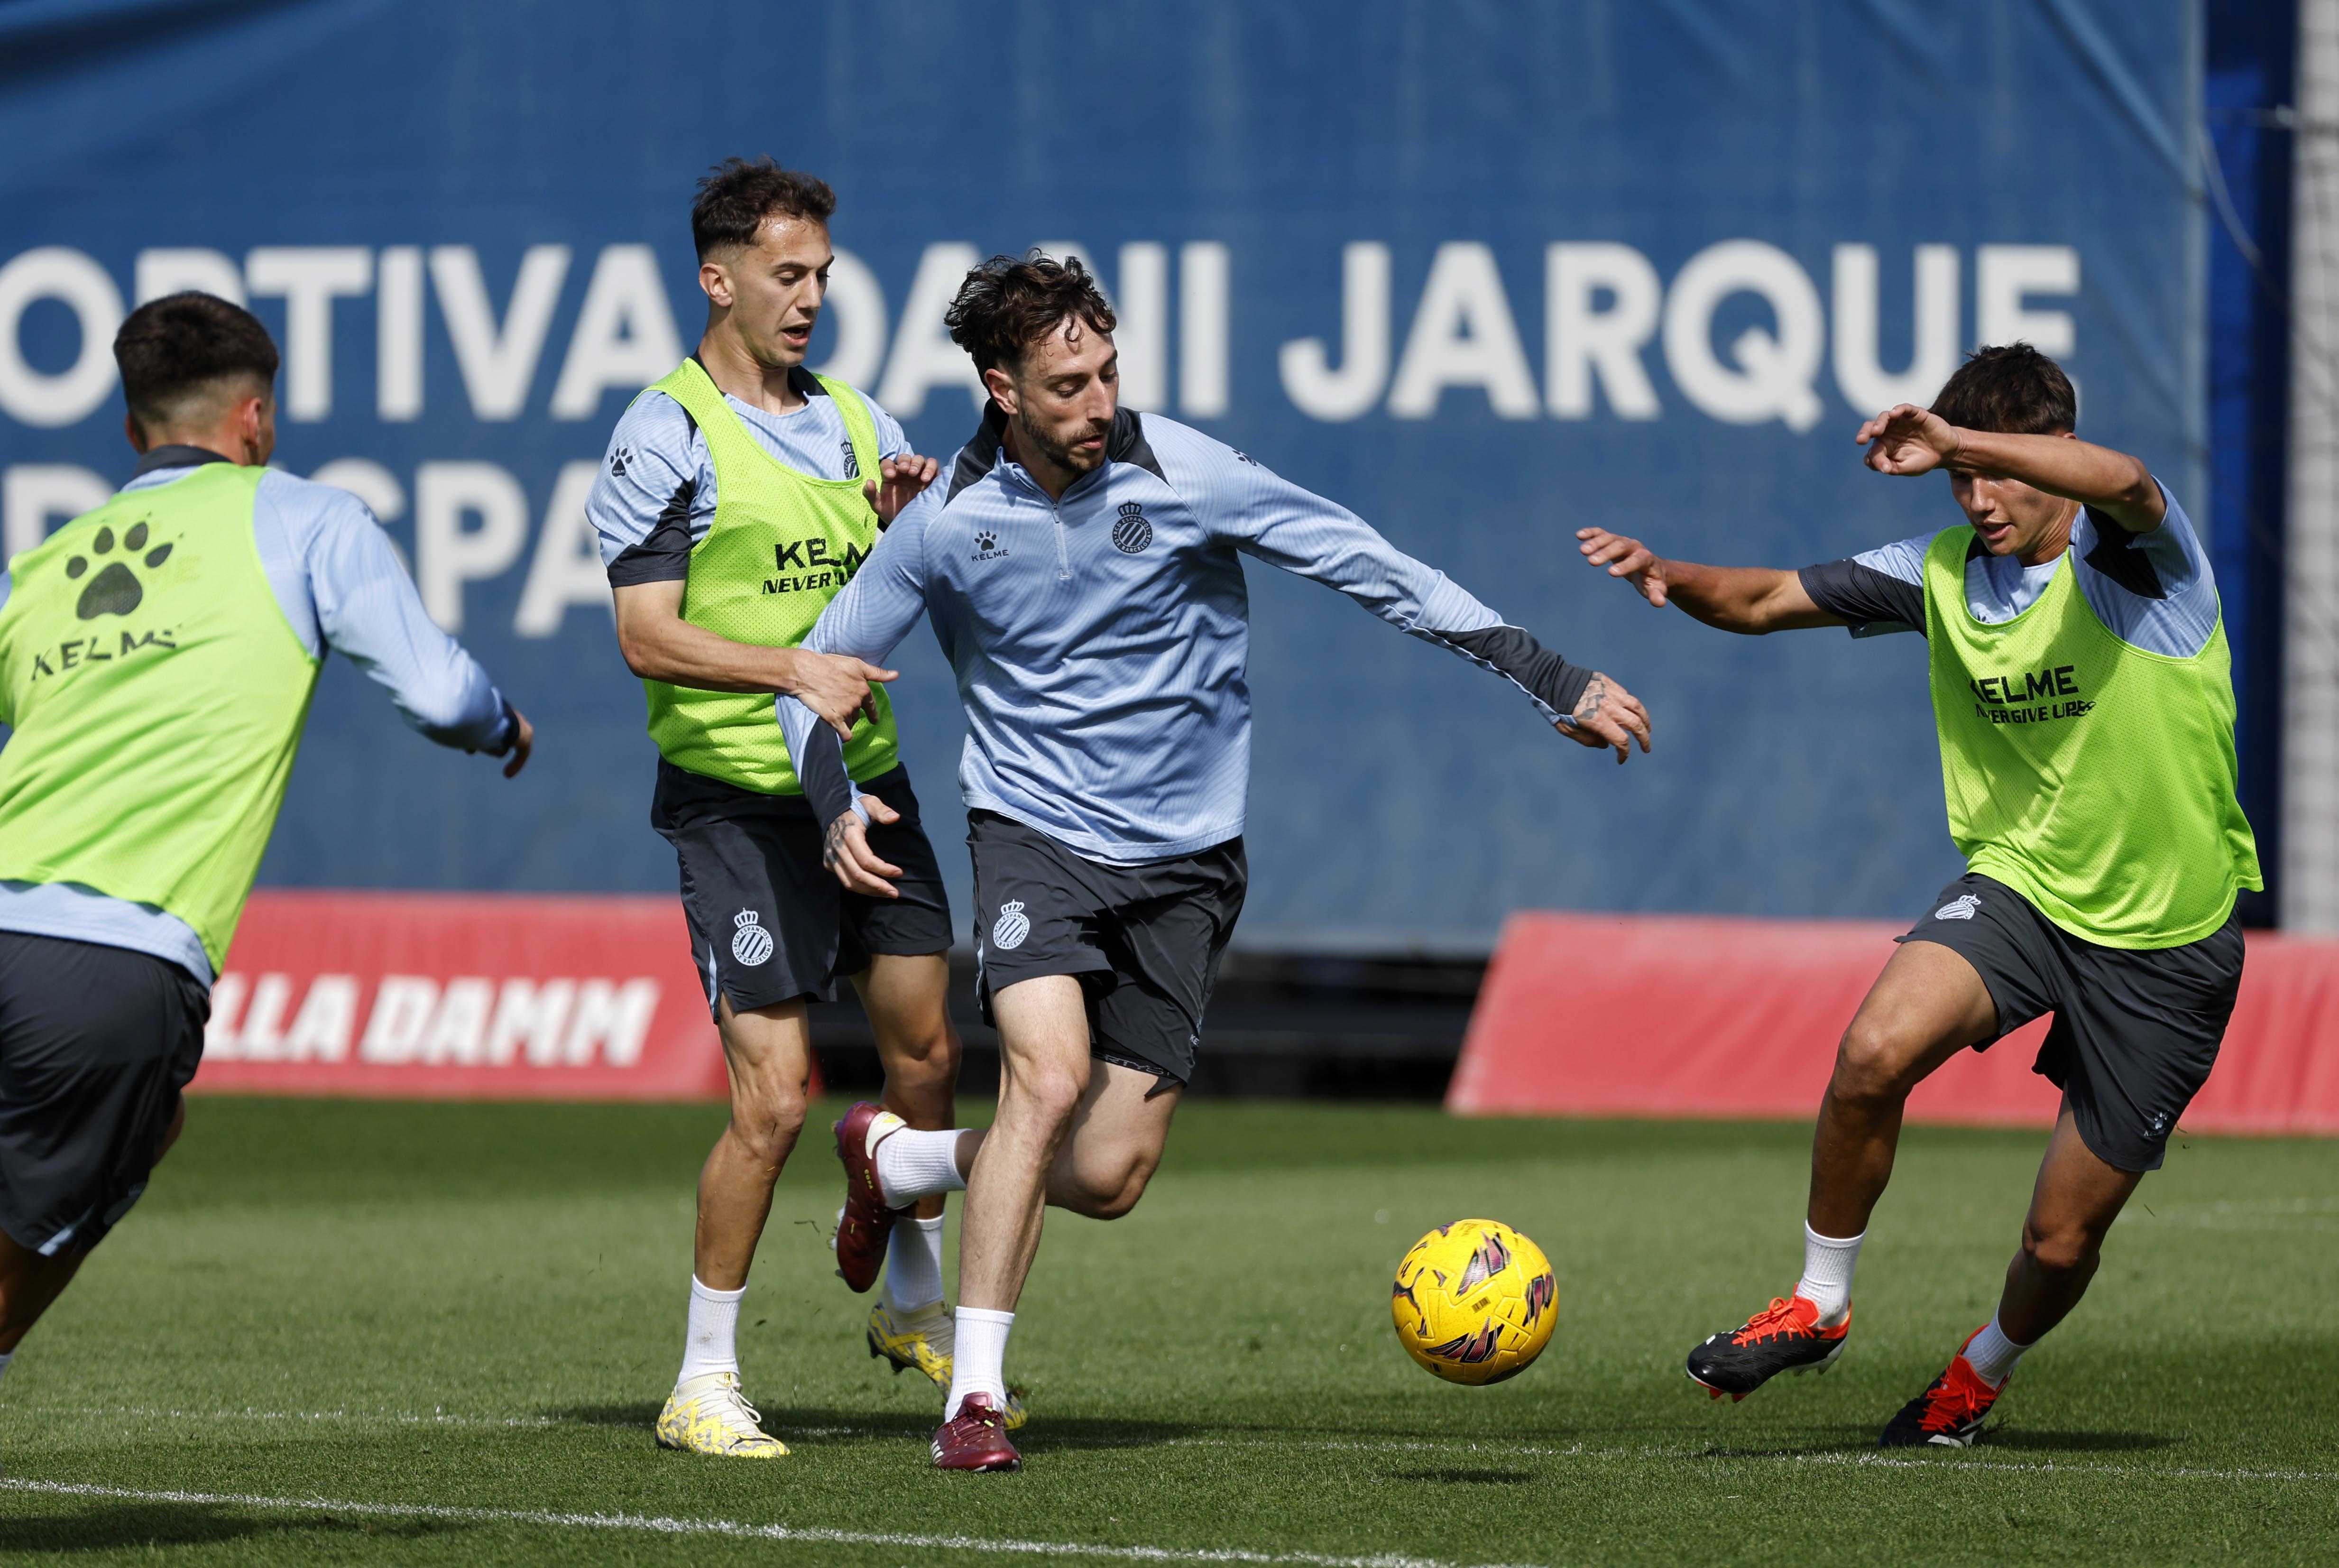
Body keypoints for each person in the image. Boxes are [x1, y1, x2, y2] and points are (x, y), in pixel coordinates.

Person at [778, 252, 1654, 1471]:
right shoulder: (941, 521)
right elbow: (811, 679)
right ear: (1001, 389)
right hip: (1032, 838)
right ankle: (972, 1399)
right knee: (1045, 1078)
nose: (1099, 402)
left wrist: (1550, 676)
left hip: (1187, 864)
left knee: (1107, 1173)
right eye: (1068, 385)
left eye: (1108, 373)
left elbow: (1375, 568)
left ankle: (898, 1158)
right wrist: (832, 803)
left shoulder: (1190, 474)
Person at [1575, 343, 2260, 1448]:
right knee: (1872, 1053)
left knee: (2058, 1244)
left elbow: (2130, 480)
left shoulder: (2140, 561)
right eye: (1960, 481)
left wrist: (1955, 440)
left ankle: (1979, 1375)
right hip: (2024, 892)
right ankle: (1819, 1302)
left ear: (2053, 454)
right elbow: (1764, 600)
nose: (1979, 500)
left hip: (2169, 941)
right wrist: (1670, 573)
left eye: (2001, 473)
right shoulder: (1941, 572)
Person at [0, 292, 531, 1382]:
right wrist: (500, 723)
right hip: (109, 959)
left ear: (133, 428)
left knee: (148, 1130)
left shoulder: (42, 568)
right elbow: (439, 695)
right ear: (255, 420)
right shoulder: (303, 519)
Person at [585, 157, 985, 1459]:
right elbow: (645, 635)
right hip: (738, 805)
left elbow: (889, 594)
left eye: (822, 274)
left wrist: (905, 530)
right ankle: (701, 1380)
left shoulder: (859, 420)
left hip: (867, 781)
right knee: (774, 1099)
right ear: (718, 279)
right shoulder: (665, 433)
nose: (809, 298)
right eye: (784, 273)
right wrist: (788, 669)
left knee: (927, 1059)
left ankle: (910, 1305)